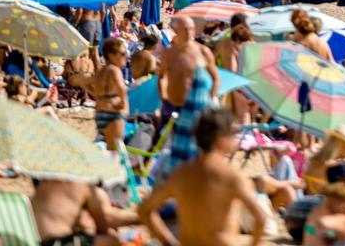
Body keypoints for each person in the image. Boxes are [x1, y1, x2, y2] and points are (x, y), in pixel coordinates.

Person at [139, 108, 268, 246]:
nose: (235, 138)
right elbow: (260, 218)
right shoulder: (232, 175)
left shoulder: (181, 173)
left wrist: (168, 242)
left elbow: (145, 210)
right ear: (220, 138)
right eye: (233, 133)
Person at [32, 180, 139, 246]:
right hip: (56, 242)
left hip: (32, 237)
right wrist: (143, 217)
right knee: (112, 241)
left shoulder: (48, 181)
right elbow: (108, 219)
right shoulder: (81, 184)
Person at [90, 37, 130, 151]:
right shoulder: (114, 70)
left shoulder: (101, 72)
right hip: (114, 113)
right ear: (111, 55)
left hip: (100, 114)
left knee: (108, 148)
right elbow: (121, 89)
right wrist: (124, 106)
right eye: (122, 54)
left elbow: (94, 91)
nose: (125, 56)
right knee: (115, 151)